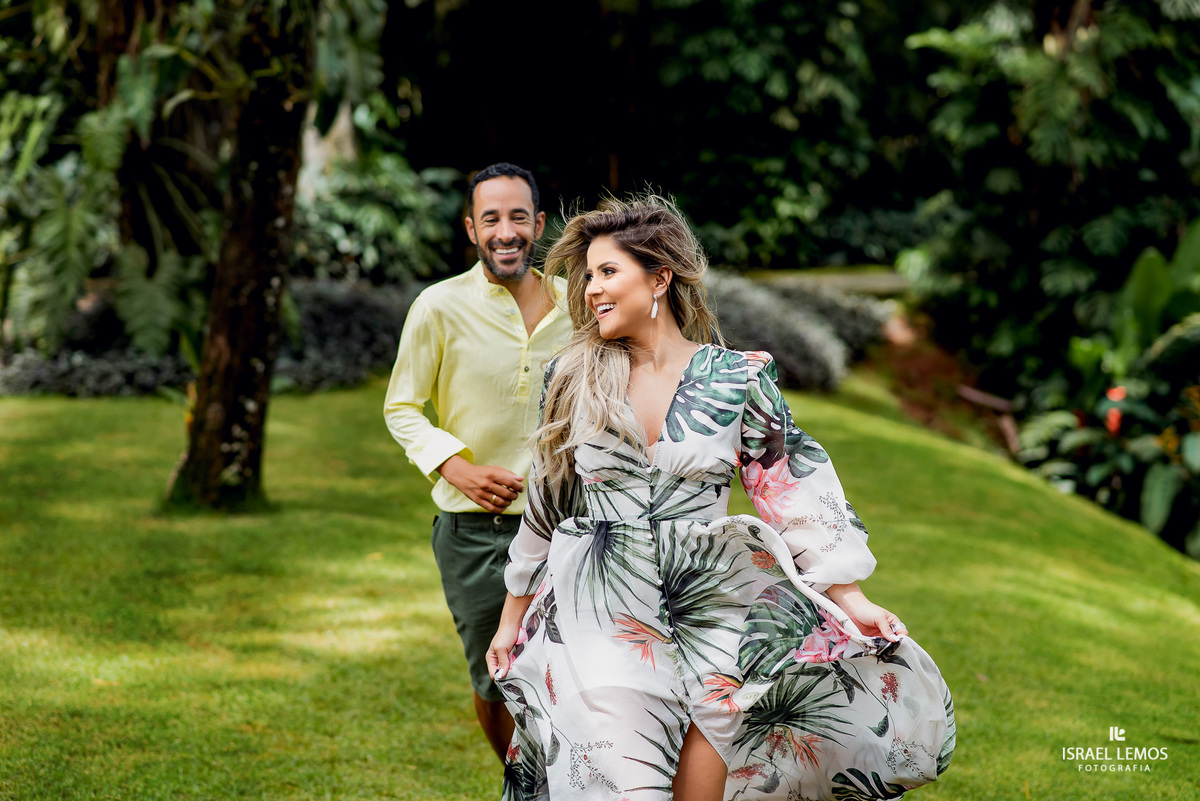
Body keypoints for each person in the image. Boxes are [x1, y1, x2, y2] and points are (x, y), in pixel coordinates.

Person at [487, 195, 955, 800]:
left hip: (711, 606)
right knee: (621, 785)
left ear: (660, 277)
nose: (590, 291)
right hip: (601, 602)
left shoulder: (737, 379)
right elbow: (548, 501)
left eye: (607, 272)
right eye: (587, 276)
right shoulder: (571, 378)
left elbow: (790, 488)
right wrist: (511, 616)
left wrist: (851, 598)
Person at [384, 163, 574, 762]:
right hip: (475, 535)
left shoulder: (582, 305)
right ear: (472, 228)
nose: (506, 230)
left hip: (569, 529)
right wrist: (454, 466)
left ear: (539, 225)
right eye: (491, 218)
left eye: (519, 216)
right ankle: (519, 782)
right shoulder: (438, 307)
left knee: (574, 676)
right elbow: (403, 407)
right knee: (496, 679)